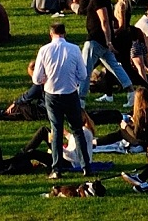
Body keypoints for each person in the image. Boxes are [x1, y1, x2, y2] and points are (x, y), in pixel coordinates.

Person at [30, 19, 90, 176]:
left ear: (51, 34)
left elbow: (36, 79)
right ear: (64, 33)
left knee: (56, 130)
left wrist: (45, 79)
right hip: (70, 93)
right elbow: (83, 74)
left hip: (52, 94)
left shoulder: (44, 50)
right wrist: (74, 80)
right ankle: (86, 167)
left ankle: (56, 168)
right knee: (77, 130)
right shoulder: (75, 49)